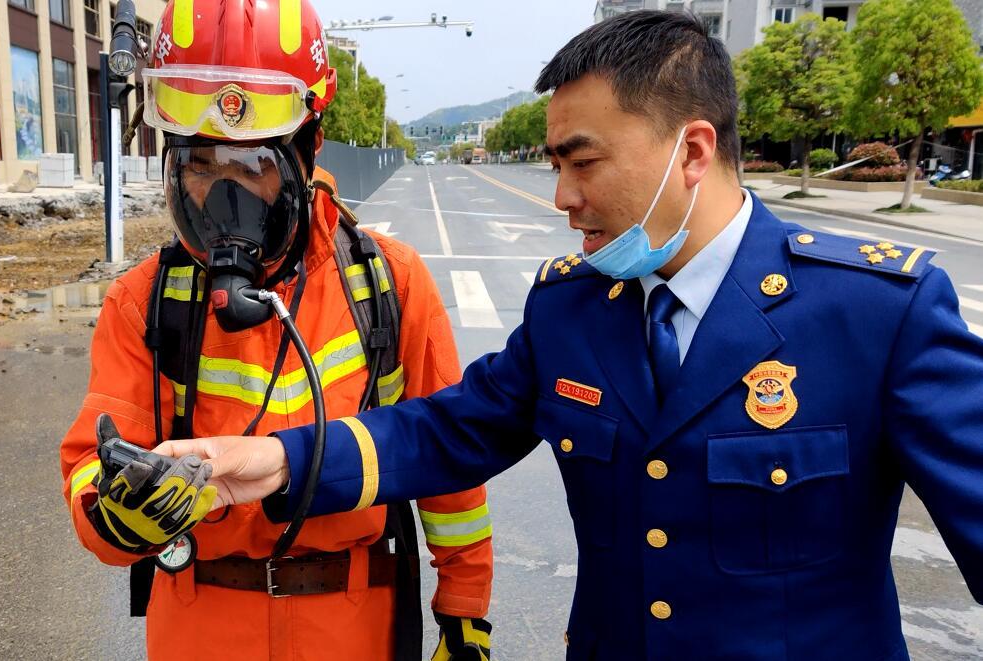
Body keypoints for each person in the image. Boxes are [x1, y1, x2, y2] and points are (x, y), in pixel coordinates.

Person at [158, 10, 983, 660]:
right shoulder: (573, 309)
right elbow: (450, 428)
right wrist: (277, 460)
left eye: (581, 163)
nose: (559, 195)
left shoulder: (878, 313)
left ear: (691, 150)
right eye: (552, 163)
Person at [58, 1, 495, 659]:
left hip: (351, 623)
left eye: (256, 162)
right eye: (201, 162)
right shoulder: (145, 301)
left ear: (308, 147)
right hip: (200, 624)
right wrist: (115, 513)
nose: (224, 191)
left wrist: (463, 613)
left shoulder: (388, 284)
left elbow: (445, 457)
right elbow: (91, 463)